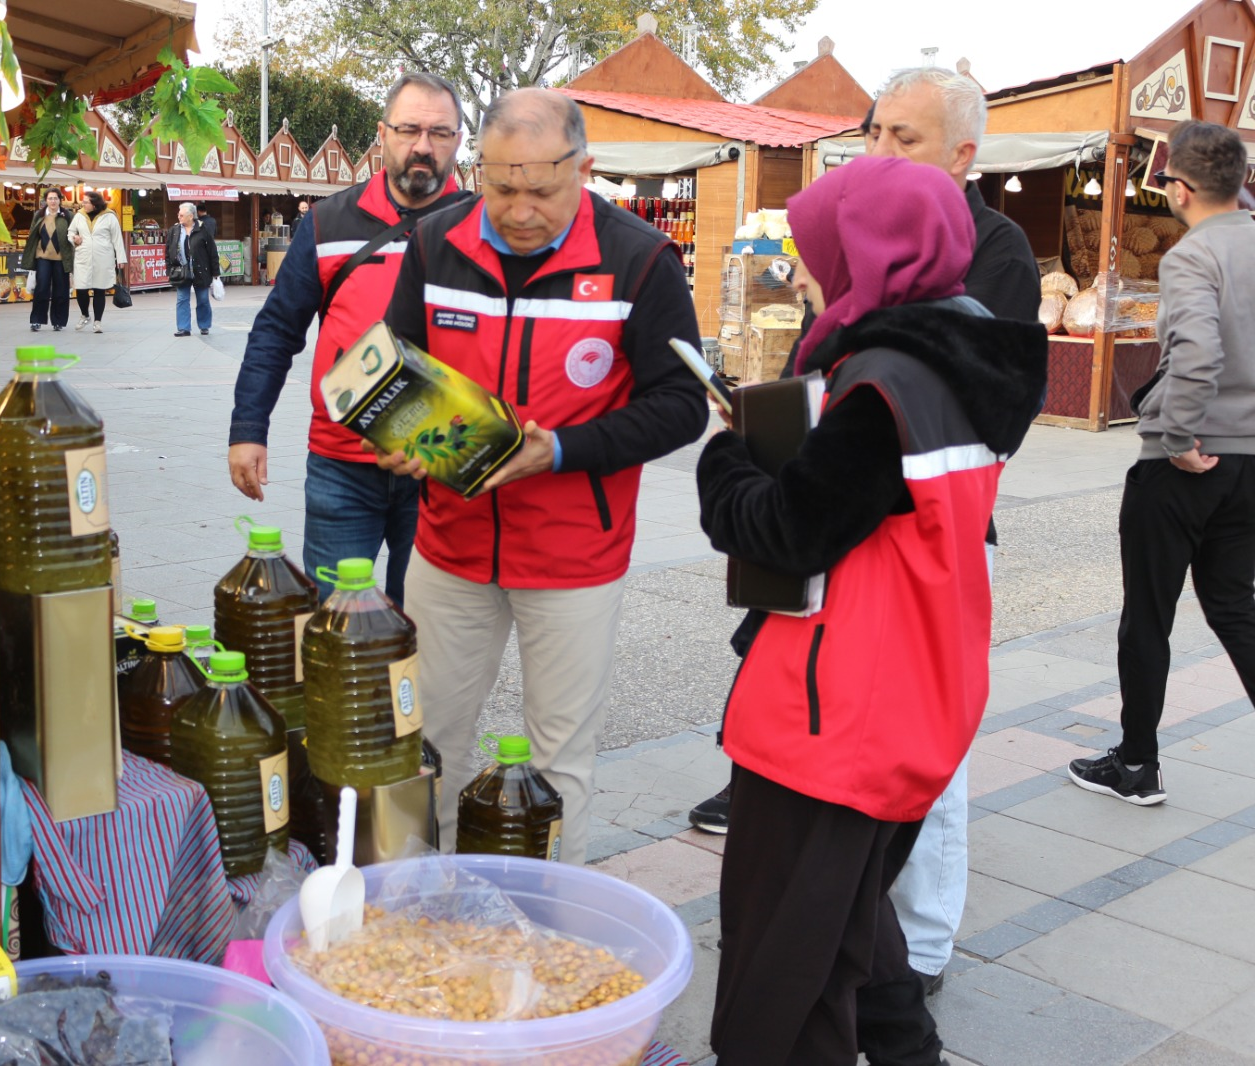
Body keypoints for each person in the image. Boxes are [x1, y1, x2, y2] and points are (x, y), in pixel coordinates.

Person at [687, 64, 1042, 1002]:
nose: (882, 155)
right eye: (874, 135)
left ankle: (912, 970)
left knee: (796, 932)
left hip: (847, 678)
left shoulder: (897, 369)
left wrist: (727, 457)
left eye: (904, 139)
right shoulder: (930, 344)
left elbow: (802, 522)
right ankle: (901, 1019)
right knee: (845, 906)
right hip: (899, 647)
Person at [372, 88, 708, 864]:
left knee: (559, 760)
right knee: (423, 742)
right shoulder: (435, 241)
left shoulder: (639, 259)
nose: (518, 210)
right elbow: (399, 365)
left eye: (542, 191)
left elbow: (682, 406)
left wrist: (557, 449)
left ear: (585, 170)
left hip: (572, 556)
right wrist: (399, 433)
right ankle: (418, 912)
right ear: (476, 168)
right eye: (500, 186)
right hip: (449, 544)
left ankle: (554, 925)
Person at [227, 72, 470, 605]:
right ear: (383, 135)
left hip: (441, 464)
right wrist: (248, 428)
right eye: (409, 130)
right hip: (342, 463)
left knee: (427, 629)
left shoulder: (482, 227)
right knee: (336, 624)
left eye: (440, 133)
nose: (423, 146)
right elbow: (276, 330)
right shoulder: (327, 222)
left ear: (458, 141)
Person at [1069, 120, 1255, 805]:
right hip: (1251, 461)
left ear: (1177, 188)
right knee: (1235, 607)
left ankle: (1138, 764)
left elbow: (1198, 355)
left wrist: (1178, 437)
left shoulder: (1191, 257)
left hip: (1188, 461)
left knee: (1148, 615)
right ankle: (1134, 761)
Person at [69, 190, 128, 334]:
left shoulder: (109, 216)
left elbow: (117, 238)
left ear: (94, 204)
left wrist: (121, 258)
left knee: (99, 289)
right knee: (81, 288)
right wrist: (74, 238)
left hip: (103, 258)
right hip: (83, 257)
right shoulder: (79, 215)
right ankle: (85, 315)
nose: (83, 204)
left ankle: (97, 321)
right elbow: (70, 232)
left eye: (86, 202)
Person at [21, 188, 73, 332]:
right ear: (46, 201)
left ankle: (58, 321)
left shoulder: (67, 215)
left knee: (61, 290)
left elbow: (75, 232)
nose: (53, 201)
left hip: (61, 258)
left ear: (60, 200)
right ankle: (36, 320)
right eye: (50, 198)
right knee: (41, 288)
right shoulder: (39, 215)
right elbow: (33, 235)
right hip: (42, 257)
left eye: (55, 198)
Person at [165, 203, 219, 336]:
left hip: (200, 270)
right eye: (178, 214)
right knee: (182, 299)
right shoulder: (175, 230)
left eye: (181, 215)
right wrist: (169, 269)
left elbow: (212, 251)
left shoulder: (202, 229)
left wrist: (215, 272)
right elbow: (168, 251)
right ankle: (184, 328)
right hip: (181, 270)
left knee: (203, 299)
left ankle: (204, 325)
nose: (179, 216)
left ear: (190, 216)